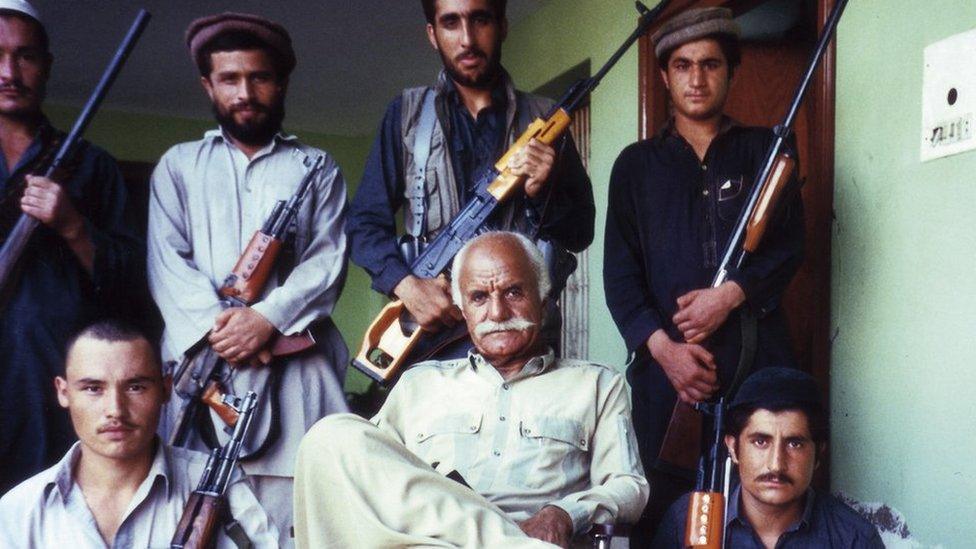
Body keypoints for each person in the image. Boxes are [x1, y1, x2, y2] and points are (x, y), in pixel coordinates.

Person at [294, 231, 647, 548]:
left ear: (544, 301)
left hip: (537, 534)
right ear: (463, 312)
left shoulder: (596, 384)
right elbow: (375, 481)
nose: (497, 312)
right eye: (479, 297)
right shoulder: (420, 383)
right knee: (329, 435)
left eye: (513, 292)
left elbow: (629, 486)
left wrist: (565, 514)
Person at [603, 7, 806, 542]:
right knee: (663, 514)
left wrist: (730, 296)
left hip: (758, 363)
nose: (697, 79)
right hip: (665, 380)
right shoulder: (634, 166)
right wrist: (665, 352)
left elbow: (788, 248)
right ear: (665, 75)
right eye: (683, 65)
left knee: (765, 509)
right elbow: (620, 280)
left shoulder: (767, 151)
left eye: (711, 64)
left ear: (731, 71)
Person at [147, 12, 349, 545]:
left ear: (280, 83)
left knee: (302, 520)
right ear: (208, 86)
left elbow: (326, 263)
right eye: (230, 79)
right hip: (200, 375)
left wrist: (264, 319)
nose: (246, 92)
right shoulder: (178, 165)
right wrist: (224, 332)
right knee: (196, 516)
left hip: (297, 383)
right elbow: (167, 262)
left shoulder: (316, 166)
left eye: (259, 78)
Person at [347, 0, 594, 359]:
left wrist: (542, 194)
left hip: (521, 338)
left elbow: (580, 232)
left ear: (502, 26)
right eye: (451, 22)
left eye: (480, 19)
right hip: (431, 344)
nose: (467, 39)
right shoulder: (405, 116)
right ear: (432, 34)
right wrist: (407, 286)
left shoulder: (545, 120)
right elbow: (363, 224)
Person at [0, 0, 142, 494]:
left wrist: (73, 226)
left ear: (47, 66)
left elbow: (130, 286)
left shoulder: (90, 166)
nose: (9, 72)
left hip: (53, 386)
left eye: (25, 57)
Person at [0, 321, 277, 547]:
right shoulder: (21, 510)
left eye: (135, 387)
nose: (115, 410)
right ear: (64, 392)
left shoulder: (221, 487)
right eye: (93, 388)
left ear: (166, 389)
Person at [652, 368, 884, 548]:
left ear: (818, 454)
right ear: (733, 448)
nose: (776, 464)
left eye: (795, 443)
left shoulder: (854, 539)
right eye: (760, 441)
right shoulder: (686, 521)